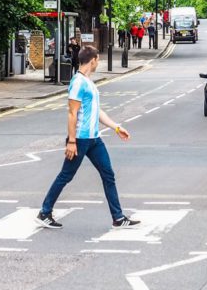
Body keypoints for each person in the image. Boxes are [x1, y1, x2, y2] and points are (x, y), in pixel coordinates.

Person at [36, 45, 140, 229]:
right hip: (81, 139)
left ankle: (118, 217)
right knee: (66, 176)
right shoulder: (78, 82)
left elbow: (96, 111)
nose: (98, 63)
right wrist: (71, 141)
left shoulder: (88, 82)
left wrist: (116, 127)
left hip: (94, 139)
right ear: (92, 60)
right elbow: (71, 113)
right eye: (98, 60)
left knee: (108, 174)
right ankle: (44, 212)